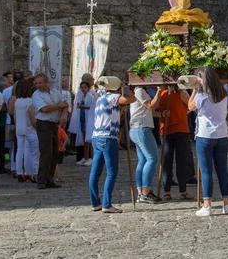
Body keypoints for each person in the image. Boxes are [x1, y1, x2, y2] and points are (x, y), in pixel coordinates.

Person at [188, 67, 228, 216]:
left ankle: (207, 204)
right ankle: (226, 203)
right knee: (222, 170)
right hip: (221, 134)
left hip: (205, 134)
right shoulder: (224, 94)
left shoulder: (201, 96)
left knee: (206, 171)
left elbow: (190, 106)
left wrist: (195, 90)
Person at [89, 76, 135, 213]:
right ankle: (107, 204)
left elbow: (109, 115)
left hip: (96, 137)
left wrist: (121, 110)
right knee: (112, 172)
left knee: (95, 172)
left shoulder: (100, 99)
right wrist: (125, 87)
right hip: (108, 138)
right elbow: (132, 99)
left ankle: (95, 202)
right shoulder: (112, 97)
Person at [31, 73, 68, 189]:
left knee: (54, 153)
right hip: (43, 124)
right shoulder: (36, 95)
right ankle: (41, 180)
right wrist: (58, 106)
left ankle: (49, 178)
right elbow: (44, 109)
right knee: (46, 152)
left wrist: (64, 114)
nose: (38, 85)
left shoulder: (55, 92)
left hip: (53, 123)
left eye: (40, 83)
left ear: (46, 82)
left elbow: (65, 104)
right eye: (36, 83)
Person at [158, 85, 194, 200]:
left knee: (167, 162)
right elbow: (191, 105)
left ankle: (167, 191)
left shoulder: (161, 94)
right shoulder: (178, 93)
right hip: (179, 130)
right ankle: (182, 191)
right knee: (180, 161)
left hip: (167, 130)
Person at [129, 85, 162, 204]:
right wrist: (159, 91)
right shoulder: (139, 91)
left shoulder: (139, 91)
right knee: (152, 158)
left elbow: (147, 110)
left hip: (137, 128)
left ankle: (141, 191)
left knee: (143, 160)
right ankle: (146, 191)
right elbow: (150, 106)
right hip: (141, 129)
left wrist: (161, 115)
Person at [10, 79, 40, 183]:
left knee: (19, 150)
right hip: (28, 128)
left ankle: (19, 172)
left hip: (19, 127)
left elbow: (14, 116)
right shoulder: (30, 101)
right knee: (28, 151)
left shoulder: (17, 101)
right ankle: (28, 172)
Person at [69, 81, 95, 166]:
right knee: (84, 140)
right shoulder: (83, 96)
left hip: (88, 119)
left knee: (89, 140)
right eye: (82, 87)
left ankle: (91, 157)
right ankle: (85, 157)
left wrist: (82, 106)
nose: (83, 89)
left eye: (85, 87)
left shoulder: (90, 96)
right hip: (83, 118)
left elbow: (91, 107)